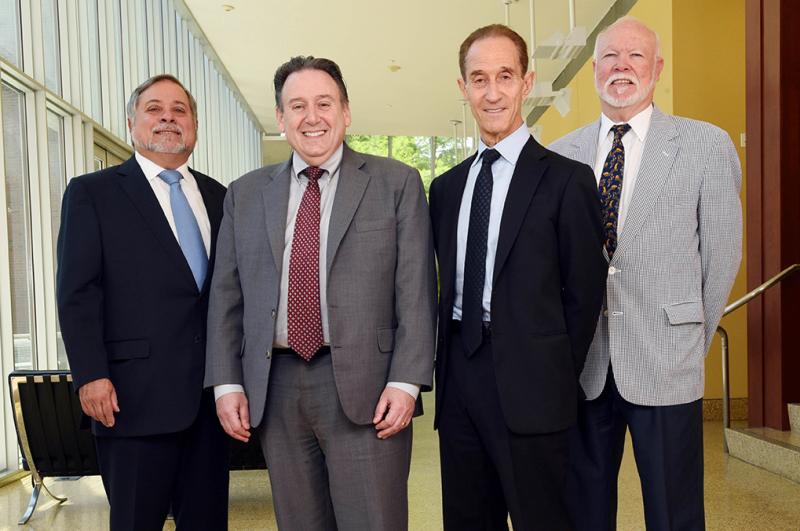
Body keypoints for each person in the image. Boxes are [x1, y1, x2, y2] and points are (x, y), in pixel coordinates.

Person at [205, 56, 436, 530]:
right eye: (298, 105)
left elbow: (416, 291)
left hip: (369, 389)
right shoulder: (244, 195)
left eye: (324, 103)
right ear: (281, 118)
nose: (312, 117)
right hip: (277, 387)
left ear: (346, 112)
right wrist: (227, 383)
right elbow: (226, 297)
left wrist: (406, 381)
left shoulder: (396, 183)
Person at [549, 16, 742, 531]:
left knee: (674, 511)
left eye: (636, 56)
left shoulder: (705, 145)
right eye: (611, 56)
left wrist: (688, 337)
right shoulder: (560, 154)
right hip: (585, 365)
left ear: (657, 68)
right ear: (594, 70)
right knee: (583, 510)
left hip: (666, 361)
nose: (622, 67)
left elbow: (722, 256)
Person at [429, 24, 607, 530]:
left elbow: (585, 291)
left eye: (504, 76)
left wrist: (550, 369)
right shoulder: (445, 188)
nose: (492, 92)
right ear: (462, 87)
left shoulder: (567, 180)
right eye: (479, 78)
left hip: (535, 390)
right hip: (460, 385)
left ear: (527, 82)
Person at [56, 74, 229, 530]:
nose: (168, 117)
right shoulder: (93, 193)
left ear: (194, 126)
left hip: (211, 402)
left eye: (180, 109)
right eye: (154, 108)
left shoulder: (220, 197)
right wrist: (90, 375)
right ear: (132, 122)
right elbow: (78, 292)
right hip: (130, 400)